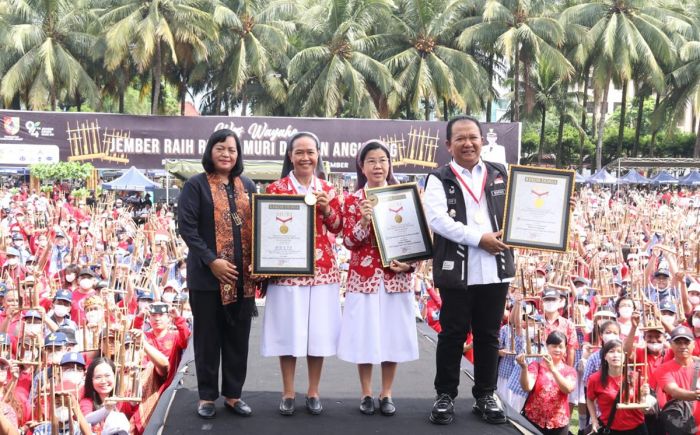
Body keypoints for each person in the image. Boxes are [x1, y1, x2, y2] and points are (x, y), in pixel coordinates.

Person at [423, 115, 515, 425]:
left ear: (482, 140)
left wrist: (552, 215)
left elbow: (518, 212)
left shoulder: (500, 173)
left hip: (495, 268)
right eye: (460, 138)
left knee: (489, 335)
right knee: (453, 333)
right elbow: (438, 221)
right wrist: (479, 239)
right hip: (458, 269)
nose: (468, 143)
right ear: (448, 145)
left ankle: (486, 395)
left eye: (473, 137)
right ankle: (445, 395)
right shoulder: (439, 178)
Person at [260, 131, 343, 416]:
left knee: (317, 334)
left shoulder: (328, 189)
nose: (305, 157)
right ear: (290, 156)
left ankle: (313, 391)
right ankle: (287, 392)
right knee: (288, 332)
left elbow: (337, 227)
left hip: (323, 271)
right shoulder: (276, 189)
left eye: (310, 152)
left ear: (318, 154)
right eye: (299, 152)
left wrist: (326, 208)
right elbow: (267, 231)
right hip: (287, 272)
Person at [177, 129, 257, 419]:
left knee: (238, 338)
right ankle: (207, 396)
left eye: (232, 150)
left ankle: (234, 395)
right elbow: (187, 229)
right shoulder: (195, 186)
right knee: (208, 338)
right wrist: (212, 261)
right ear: (210, 151)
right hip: (207, 278)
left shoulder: (247, 185)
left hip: (241, 279)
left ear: (238, 155)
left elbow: (259, 228)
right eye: (221, 148)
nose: (226, 154)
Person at [336, 140, 419, 416]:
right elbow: (348, 241)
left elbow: (416, 241)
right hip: (364, 278)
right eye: (371, 160)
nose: (377, 166)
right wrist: (362, 221)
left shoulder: (403, 197)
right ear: (362, 165)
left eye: (382, 160)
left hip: (395, 279)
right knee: (365, 336)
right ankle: (366, 393)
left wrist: (407, 266)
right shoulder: (352, 200)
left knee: (391, 336)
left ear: (389, 164)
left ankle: (387, 393)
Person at [517, 331, 576, 435]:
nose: (557, 350)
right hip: (533, 420)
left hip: (558, 423)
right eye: (554, 346)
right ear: (547, 346)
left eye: (560, 347)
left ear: (565, 348)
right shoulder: (536, 365)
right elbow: (527, 387)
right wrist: (524, 368)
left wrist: (552, 369)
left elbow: (568, 389)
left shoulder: (569, 370)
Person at [586, 339, 651, 435]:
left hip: (637, 429)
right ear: (604, 356)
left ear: (625, 356)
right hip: (610, 428)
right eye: (611, 351)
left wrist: (644, 397)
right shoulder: (595, 379)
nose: (616, 355)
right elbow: (590, 399)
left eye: (619, 351)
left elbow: (643, 410)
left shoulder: (636, 378)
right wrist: (594, 420)